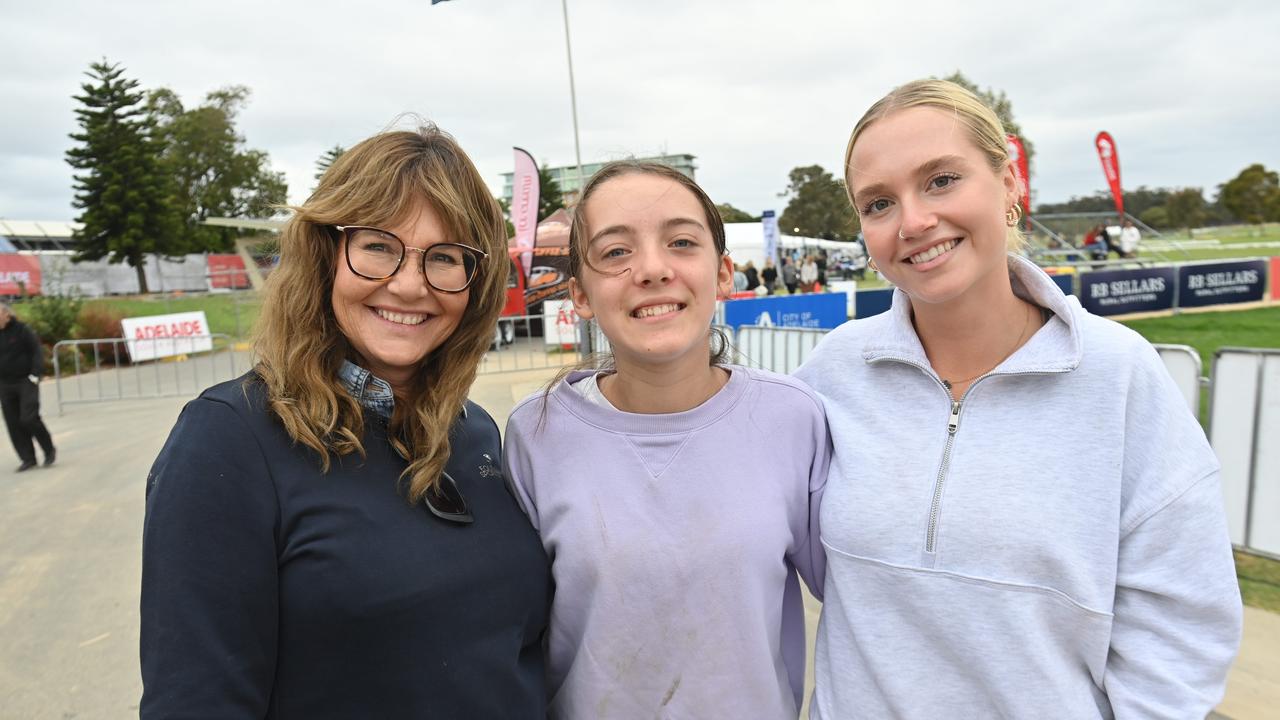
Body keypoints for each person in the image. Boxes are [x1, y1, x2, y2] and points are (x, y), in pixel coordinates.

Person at [796, 79, 1241, 718]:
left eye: (942, 180)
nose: (914, 221)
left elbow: (1182, 628)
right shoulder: (834, 369)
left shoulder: (1119, 375)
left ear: (1009, 183)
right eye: (878, 203)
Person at [140, 126, 551, 718]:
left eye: (444, 257)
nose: (410, 285)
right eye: (379, 246)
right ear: (325, 254)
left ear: (476, 284)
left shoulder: (476, 432)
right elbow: (198, 701)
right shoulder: (229, 442)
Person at [503, 161, 829, 719]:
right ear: (579, 295)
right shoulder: (535, 434)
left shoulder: (793, 419)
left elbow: (860, 598)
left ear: (724, 272)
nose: (652, 269)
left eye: (680, 242)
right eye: (614, 252)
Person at [0, 303, 55, 471]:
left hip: (26, 380)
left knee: (28, 418)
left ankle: (48, 450)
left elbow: (36, 351)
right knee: (13, 423)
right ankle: (27, 458)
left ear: (6, 315)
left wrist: (35, 374)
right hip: (5, 383)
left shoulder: (22, 330)